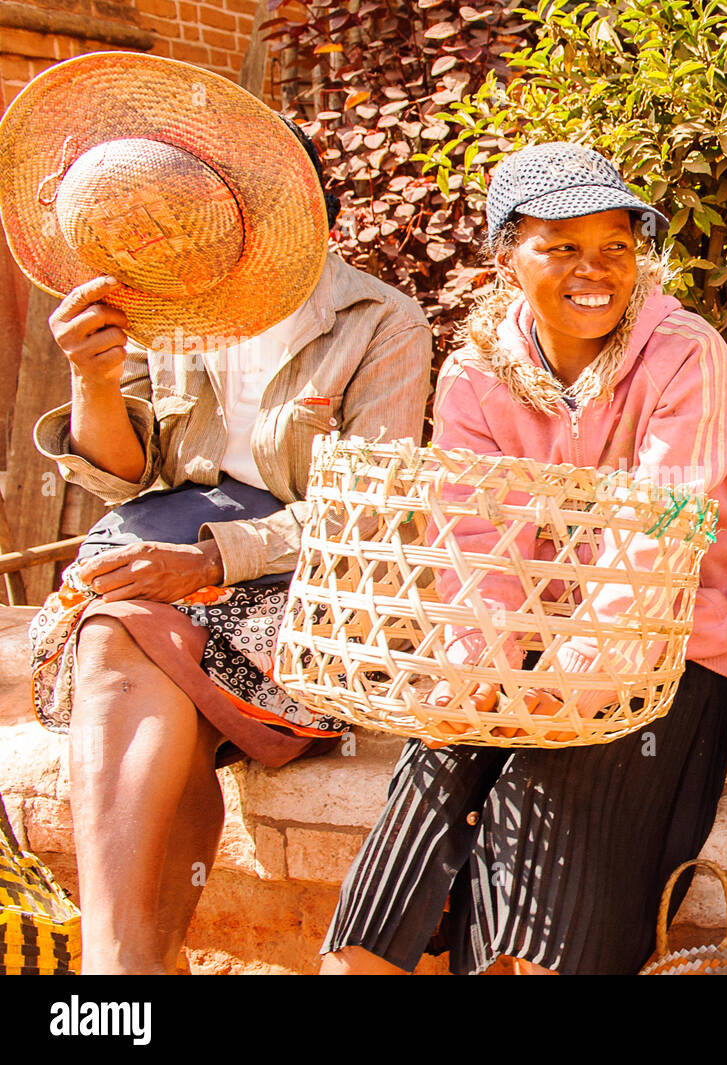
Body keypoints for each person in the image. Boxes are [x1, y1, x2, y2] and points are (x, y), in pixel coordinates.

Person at [2, 54, 433, 974]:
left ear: (312, 218)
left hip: (294, 582)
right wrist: (91, 376)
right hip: (154, 570)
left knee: (126, 637)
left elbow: (369, 513)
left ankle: (115, 978)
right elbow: (125, 479)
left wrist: (210, 561)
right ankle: (136, 977)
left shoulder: (377, 319)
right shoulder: (166, 309)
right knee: (136, 647)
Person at [320, 142, 727, 975]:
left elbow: (662, 533)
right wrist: (479, 677)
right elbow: (477, 549)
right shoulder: (477, 375)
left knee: (543, 813)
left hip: (661, 660)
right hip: (521, 655)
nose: (595, 269)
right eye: (561, 246)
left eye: (616, 247)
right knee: (433, 770)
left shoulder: (683, 356)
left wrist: (563, 688)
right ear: (506, 256)